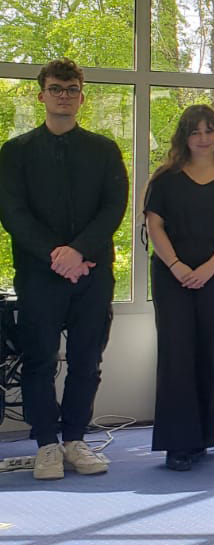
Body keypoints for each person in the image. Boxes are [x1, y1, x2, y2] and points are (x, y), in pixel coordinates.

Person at [0, 58, 127, 480]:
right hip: (39, 274)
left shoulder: (104, 149)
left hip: (92, 273)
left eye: (72, 89)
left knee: (87, 360)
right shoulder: (15, 152)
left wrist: (79, 253)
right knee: (39, 361)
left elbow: (114, 208)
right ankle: (46, 446)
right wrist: (57, 255)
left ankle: (75, 440)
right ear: (41, 95)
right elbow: (12, 213)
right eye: (56, 88)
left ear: (81, 96)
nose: (64, 96)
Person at [144, 105, 214, 471]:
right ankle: (178, 443)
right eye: (195, 132)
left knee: (208, 351)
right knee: (176, 354)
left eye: (210, 131)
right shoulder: (165, 178)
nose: (203, 138)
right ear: (184, 137)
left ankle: (204, 435)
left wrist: (208, 267)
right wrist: (176, 266)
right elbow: (154, 225)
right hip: (171, 277)